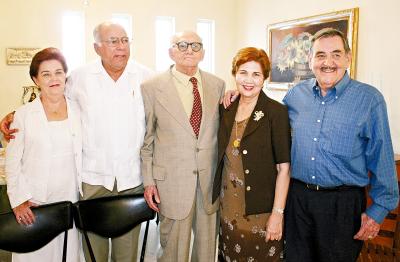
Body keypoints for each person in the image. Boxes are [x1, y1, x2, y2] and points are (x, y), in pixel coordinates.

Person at [1, 21, 153, 262]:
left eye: (125, 40)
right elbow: (48, 99)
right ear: (97, 47)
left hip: (131, 181)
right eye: (113, 41)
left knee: (127, 256)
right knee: (93, 254)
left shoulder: (146, 78)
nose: (121, 47)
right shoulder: (79, 78)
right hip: (92, 183)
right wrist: (12, 117)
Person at [282, 28, 399, 261]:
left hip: (342, 206)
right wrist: (241, 97)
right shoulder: (295, 95)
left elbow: (382, 157)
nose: (328, 62)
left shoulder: (369, 99)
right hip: (297, 200)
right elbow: (268, 123)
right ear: (310, 60)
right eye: (320, 55)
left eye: (336, 54)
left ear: (348, 57)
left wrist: (377, 211)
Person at [141, 31, 225, 262]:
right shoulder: (151, 87)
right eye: (182, 45)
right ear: (171, 52)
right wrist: (149, 181)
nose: (189, 50)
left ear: (203, 53)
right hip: (172, 183)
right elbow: (147, 141)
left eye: (196, 46)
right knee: (172, 251)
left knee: (207, 251)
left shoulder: (218, 85)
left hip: (208, 183)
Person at [212, 47, 291, 261]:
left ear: (264, 78)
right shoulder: (226, 108)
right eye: (243, 73)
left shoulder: (276, 112)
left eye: (256, 74)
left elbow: (284, 169)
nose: (249, 80)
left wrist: (278, 214)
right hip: (228, 207)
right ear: (234, 74)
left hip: (261, 211)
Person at [5, 47, 81, 262]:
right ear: (35, 80)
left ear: (65, 75)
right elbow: (12, 162)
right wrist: (19, 200)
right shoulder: (23, 115)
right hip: (35, 201)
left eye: (58, 72)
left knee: (67, 253)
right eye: (45, 74)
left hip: (69, 199)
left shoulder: (79, 110)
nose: (53, 79)